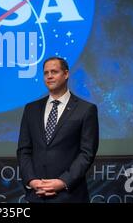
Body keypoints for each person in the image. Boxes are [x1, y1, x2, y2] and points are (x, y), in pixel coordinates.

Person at [17, 57, 99, 203]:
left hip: (70, 196)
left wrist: (63, 182)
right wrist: (32, 180)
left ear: (66, 74)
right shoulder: (31, 109)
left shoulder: (86, 110)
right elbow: (24, 149)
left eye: (54, 72)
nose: (49, 76)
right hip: (37, 195)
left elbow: (87, 153)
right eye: (46, 73)